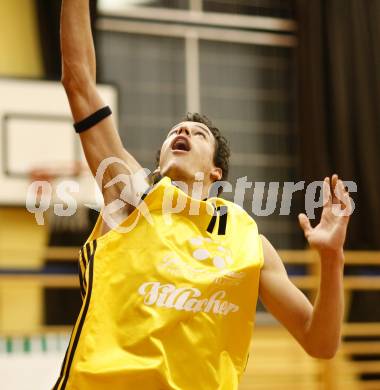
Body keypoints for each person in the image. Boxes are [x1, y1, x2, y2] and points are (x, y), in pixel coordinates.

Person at [53, 1, 352, 389]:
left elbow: (321, 341)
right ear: (159, 161)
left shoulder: (249, 244)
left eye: (199, 134)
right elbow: (79, 81)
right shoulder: (130, 200)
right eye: (176, 131)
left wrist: (332, 260)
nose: (184, 132)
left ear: (216, 172)